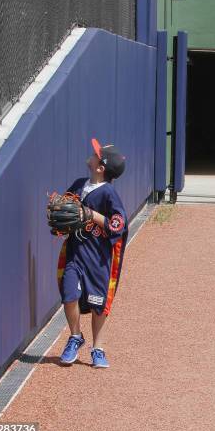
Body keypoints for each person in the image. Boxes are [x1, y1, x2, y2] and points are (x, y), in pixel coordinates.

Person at [57, 138, 128, 368]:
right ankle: (75, 336)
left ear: (101, 167)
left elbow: (118, 224)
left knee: (98, 306)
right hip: (75, 255)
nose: (93, 153)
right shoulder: (79, 184)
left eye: (97, 154)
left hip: (98, 260)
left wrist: (92, 215)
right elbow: (63, 210)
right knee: (69, 295)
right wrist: (58, 214)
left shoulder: (108, 194)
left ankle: (97, 348)